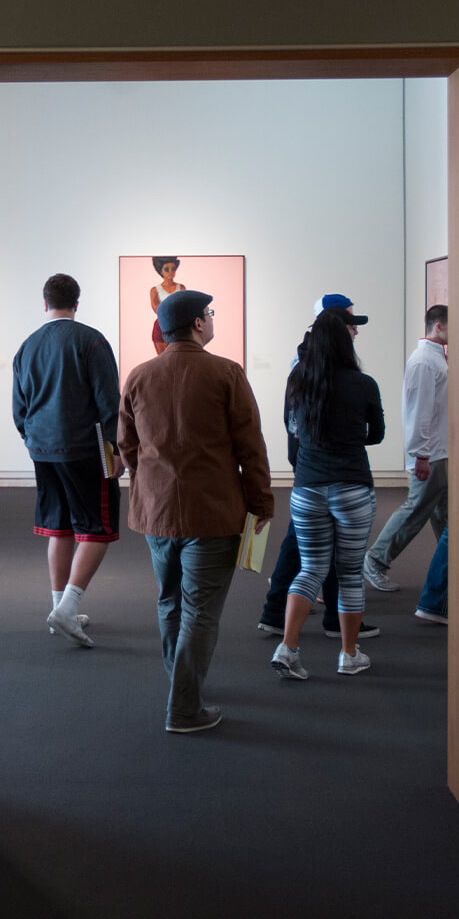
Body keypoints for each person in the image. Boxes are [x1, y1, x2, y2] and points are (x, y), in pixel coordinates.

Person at [118, 288, 273, 733]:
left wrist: (147, 480)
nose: (212, 318)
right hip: (212, 513)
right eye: (210, 312)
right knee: (200, 609)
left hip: (156, 513)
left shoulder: (140, 376)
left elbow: (127, 445)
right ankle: (184, 707)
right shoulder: (226, 373)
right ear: (199, 324)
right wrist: (261, 502)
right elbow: (250, 446)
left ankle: (181, 681)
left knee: (169, 600)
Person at [256, 295, 379, 641]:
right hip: (334, 474)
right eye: (352, 324)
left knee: (310, 557)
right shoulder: (353, 380)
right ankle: (342, 646)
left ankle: (288, 632)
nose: (356, 331)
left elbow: (292, 425)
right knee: (334, 559)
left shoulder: (302, 370)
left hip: (310, 474)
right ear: (337, 331)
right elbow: (375, 432)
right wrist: (346, 440)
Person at [11, 273, 122, 647]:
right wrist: (116, 450)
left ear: (45, 303)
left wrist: (32, 438)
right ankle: (68, 606)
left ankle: (60, 607)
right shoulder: (91, 341)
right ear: (77, 302)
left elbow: (19, 408)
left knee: (58, 526)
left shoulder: (27, 346)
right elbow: (109, 402)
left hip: (42, 449)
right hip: (84, 448)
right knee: (97, 529)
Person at [362, 304, 449, 593]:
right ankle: (375, 560)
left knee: (444, 515)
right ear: (438, 326)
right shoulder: (425, 361)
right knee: (416, 510)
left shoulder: (436, 359)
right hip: (431, 453)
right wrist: (420, 454)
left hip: (439, 451)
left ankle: (453, 569)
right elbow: (419, 412)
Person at [147, 256, 185, 355]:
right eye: (167, 269)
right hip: (161, 326)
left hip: (178, 326)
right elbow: (157, 309)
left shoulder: (181, 288)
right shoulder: (155, 290)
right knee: (162, 358)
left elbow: (184, 307)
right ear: (161, 271)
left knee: (178, 356)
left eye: (173, 269)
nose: (170, 272)